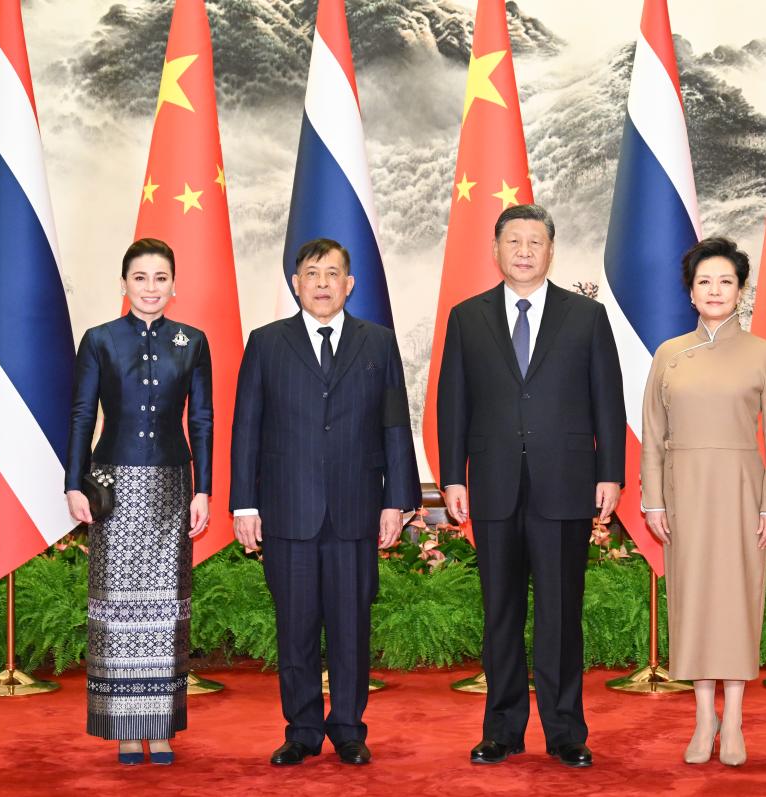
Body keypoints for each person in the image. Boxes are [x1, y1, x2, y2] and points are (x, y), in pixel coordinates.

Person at [437, 204, 626, 768]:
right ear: (496, 250)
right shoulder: (467, 318)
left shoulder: (585, 317)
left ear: (551, 251)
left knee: (561, 615)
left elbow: (607, 402)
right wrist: (451, 476)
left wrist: (609, 473)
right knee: (500, 613)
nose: (524, 250)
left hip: (565, 485)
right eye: (513, 240)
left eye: (535, 241)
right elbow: (453, 404)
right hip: (493, 486)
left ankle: (566, 731)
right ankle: (502, 729)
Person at [230, 238, 419, 767]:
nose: (321, 283)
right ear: (296, 283)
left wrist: (396, 501)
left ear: (348, 284)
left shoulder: (377, 343)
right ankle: (302, 729)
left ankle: (350, 729)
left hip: (356, 510)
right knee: (295, 625)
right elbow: (246, 428)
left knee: (351, 625)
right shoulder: (266, 343)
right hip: (288, 509)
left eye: (332, 274)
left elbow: (393, 425)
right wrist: (244, 503)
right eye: (311, 273)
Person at [641, 236, 766, 767]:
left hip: (742, 494)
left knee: (737, 601)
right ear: (690, 292)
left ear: (741, 290)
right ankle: (704, 718)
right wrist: (653, 501)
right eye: (705, 280)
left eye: (726, 280)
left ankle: (736, 719)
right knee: (694, 601)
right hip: (683, 495)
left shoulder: (762, 354)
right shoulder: (669, 354)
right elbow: (653, 434)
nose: (715, 289)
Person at [65, 238, 212, 765]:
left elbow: (202, 421)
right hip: (114, 488)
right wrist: (73, 483)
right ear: (124, 284)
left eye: (161, 278)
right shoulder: (100, 340)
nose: (151, 288)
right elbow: (82, 415)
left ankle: (162, 724)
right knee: (121, 608)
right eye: (140, 278)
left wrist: (204, 489)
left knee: (164, 610)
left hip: (172, 487)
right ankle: (127, 727)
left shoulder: (192, 341)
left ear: (174, 285)